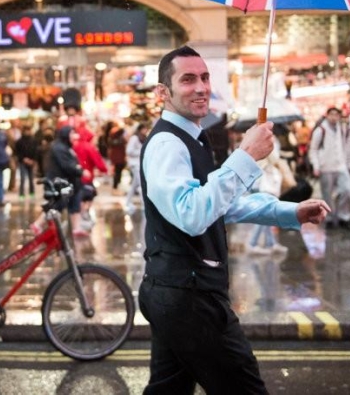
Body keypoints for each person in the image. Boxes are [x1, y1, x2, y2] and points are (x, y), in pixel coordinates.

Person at [139, 46, 330, 394]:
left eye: (205, 77)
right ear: (162, 92)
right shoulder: (168, 143)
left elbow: (223, 205)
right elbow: (192, 215)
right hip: (190, 298)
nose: (201, 87)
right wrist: (245, 155)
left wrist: (288, 211)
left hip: (178, 292)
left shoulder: (193, 138)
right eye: (188, 80)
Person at [309, 107, 350, 229]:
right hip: (326, 167)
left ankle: (344, 216)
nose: (334, 117)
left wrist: (349, 163)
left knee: (347, 190)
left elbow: (346, 147)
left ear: (339, 116)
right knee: (327, 194)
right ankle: (329, 218)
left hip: (341, 165)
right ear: (327, 115)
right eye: (331, 114)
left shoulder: (343, 128)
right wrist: (316, 166)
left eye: (336, 115)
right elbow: (313, 149)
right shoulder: (321, 130)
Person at [41, 125, 87, 237]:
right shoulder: (59, 148)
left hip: (67, 181)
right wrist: (79, 170)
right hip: (60, 182)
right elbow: (67, 165)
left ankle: (76, 227)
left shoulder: (64, 147)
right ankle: (40, 225)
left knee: (73, 203)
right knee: (58, 205)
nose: (74, 136)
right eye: (72, 134)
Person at [124, 122, 149, 215]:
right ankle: (145, 204)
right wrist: (141, 151)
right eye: (144, 129)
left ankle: (127, 201)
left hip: (139, 163)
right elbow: (129, 151)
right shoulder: (135, 138)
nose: (145, 130)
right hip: (135, 164)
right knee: (141, 184)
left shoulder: (143, 138)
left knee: (134, 185)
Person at [13, 124, 40, 199]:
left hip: (31, 161)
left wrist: (33, 160)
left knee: (31, 179)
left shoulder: (34, 141)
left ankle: (32, 192)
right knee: (22, 179)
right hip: (22, 162)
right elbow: (17, 152)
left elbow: (36, 151)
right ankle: (21, 194)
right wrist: (24, 159)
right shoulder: (19, 141)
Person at [107, 121, 127, 190]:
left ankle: (116, 185)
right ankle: (115, 186)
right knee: (117, 172)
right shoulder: (117, 135)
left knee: (117, 171)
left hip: (117, 156)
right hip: (118, 157)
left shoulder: (114, 137)